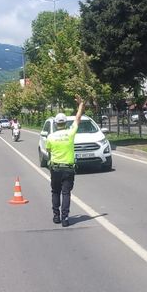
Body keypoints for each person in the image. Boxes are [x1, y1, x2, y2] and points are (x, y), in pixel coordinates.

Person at [46, 96, 84, 227]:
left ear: (56, 124)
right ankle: (65, 218)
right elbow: (78, 118)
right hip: (68, 169)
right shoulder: (70, 133)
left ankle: (56, 216)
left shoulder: (51, 137)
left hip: (55, 169)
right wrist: (80, 104)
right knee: (66, 193)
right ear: (65, 123)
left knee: (55, 192)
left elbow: (49, 151)